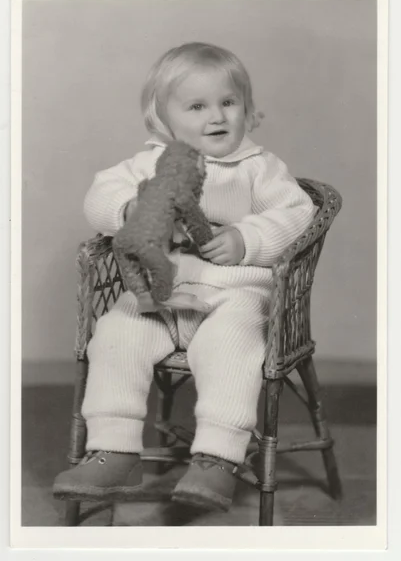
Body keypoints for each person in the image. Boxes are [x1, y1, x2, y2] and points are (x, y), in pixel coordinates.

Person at [53, 42, 315, 512]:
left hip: (231, 297)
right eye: (197, 106)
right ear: (164, 119)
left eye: (229, 103)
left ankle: (217, 458)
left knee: (232, 346)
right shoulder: (151, 163)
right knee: (115, 333)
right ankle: (113, 447)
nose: (216, 116)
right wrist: (131, 209)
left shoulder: (259, 167)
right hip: (161, 294)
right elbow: (100, 194)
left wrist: (246, 238)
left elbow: (297, 215)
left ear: (247, 110)